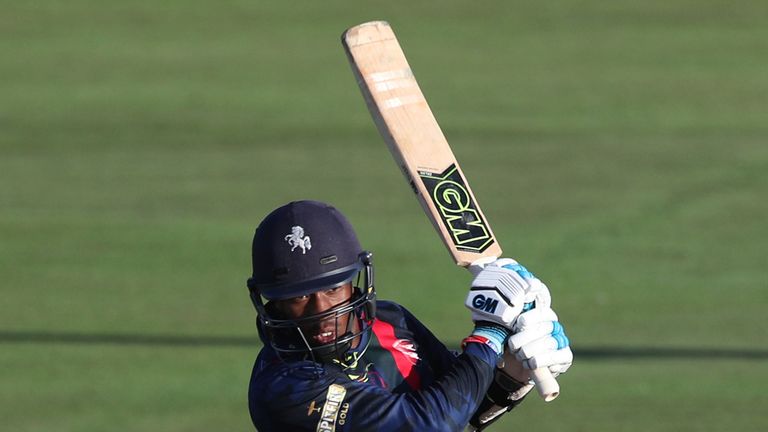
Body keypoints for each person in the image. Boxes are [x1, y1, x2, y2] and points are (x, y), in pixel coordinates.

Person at [246, 200, 572, 431]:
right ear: (271, 302)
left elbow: (463, 409)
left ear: (355, 282)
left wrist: (514, 368)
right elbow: (429, 424)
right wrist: (491, 334)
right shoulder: (283, 388)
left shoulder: (390, 320)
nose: (320, 312)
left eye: (333, 289)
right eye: (299, 297)